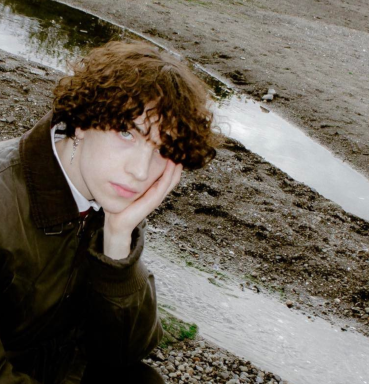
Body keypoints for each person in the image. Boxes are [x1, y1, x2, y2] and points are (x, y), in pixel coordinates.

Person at [0, 41, 218, 383]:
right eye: (126, 132)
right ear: (84, 121)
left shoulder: (107, 197)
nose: (141, 171)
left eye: (163, 148)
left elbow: (124, 355)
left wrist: (118, 242)